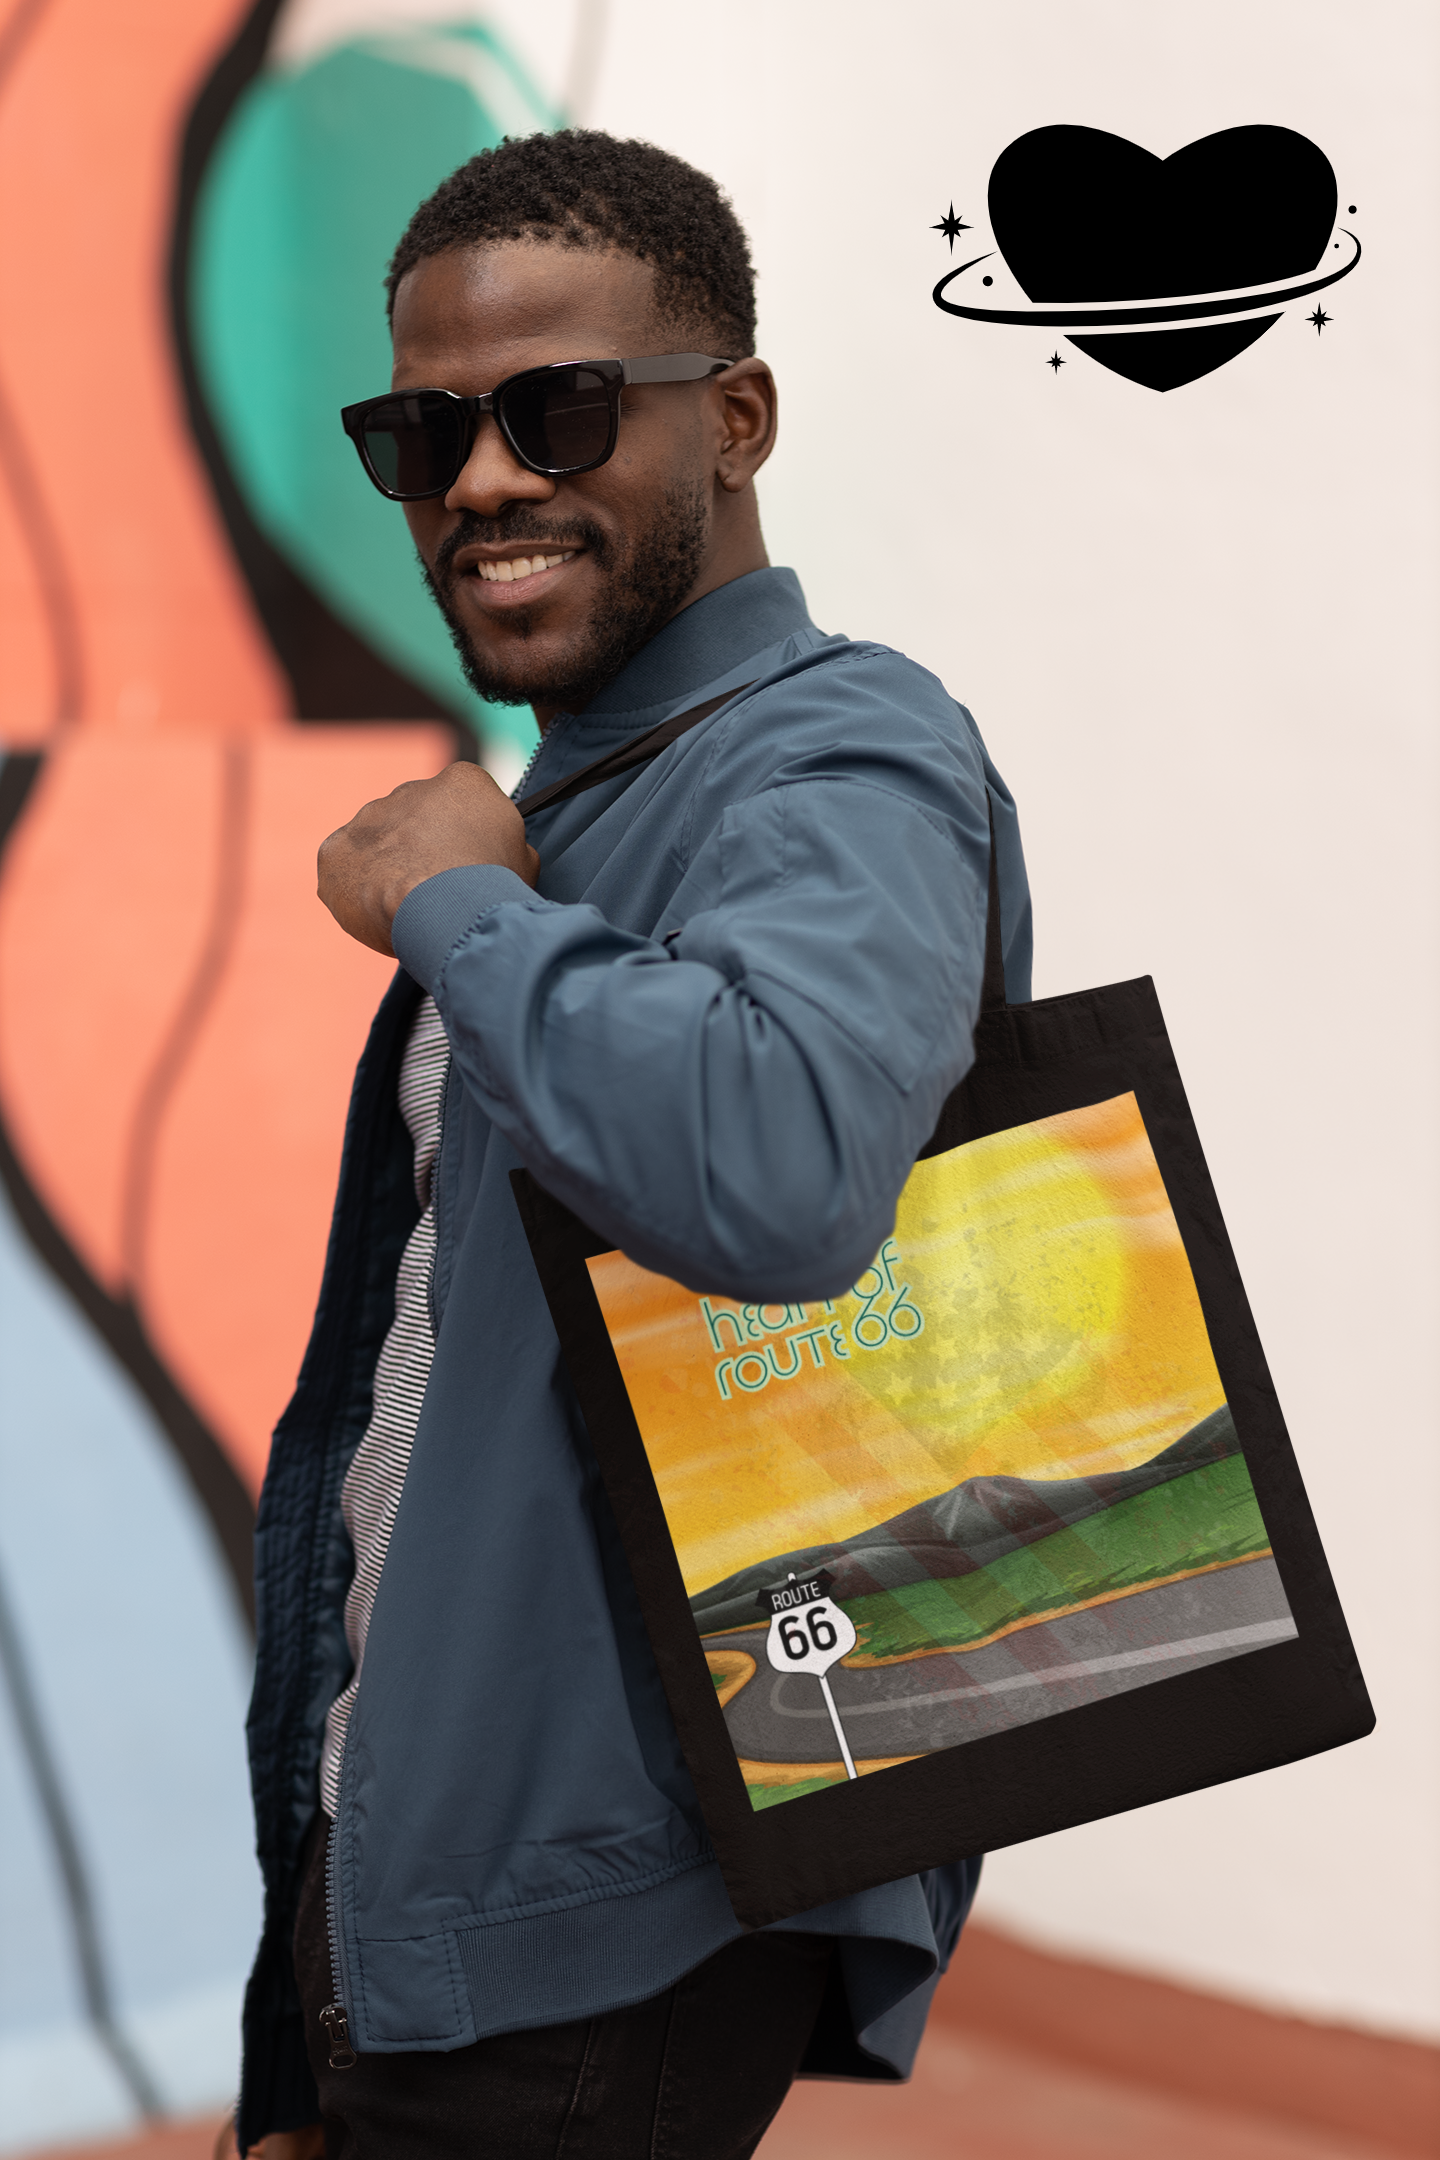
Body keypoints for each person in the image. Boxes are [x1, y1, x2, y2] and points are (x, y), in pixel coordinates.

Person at [238, 129, 1031, 2160]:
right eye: (428, 433)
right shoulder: (584, 799)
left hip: (601, 1911)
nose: (485, 477)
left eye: (558, 408)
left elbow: (777, 1174)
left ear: (735, 418)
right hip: (432, 1841)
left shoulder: (844, 757)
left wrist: (461, 906)